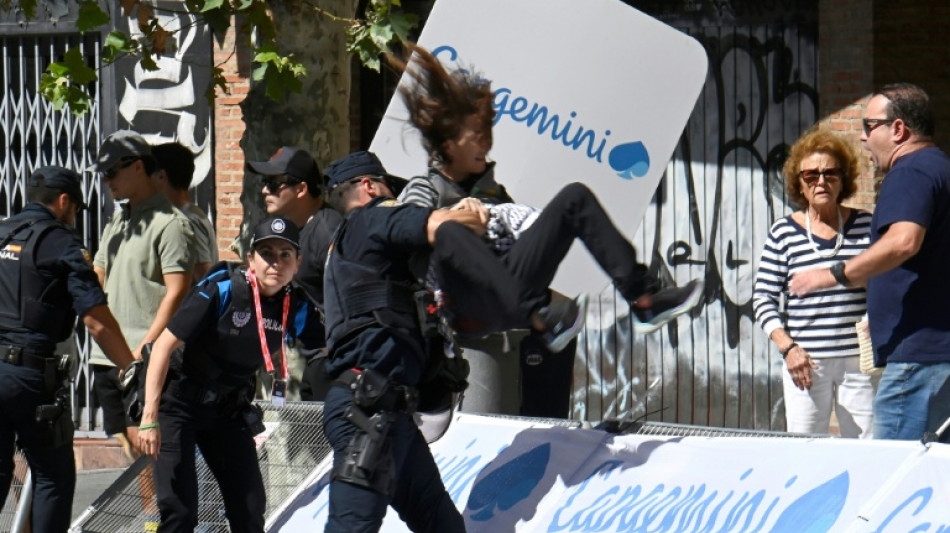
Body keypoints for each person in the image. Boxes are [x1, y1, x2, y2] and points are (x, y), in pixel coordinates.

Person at [391, 44, 704, 337]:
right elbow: (408, 236)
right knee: (448, 232)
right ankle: (541, 321)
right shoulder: (424, 188)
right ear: (448, 143)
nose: (487, 144)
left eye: (489, 134)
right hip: (460, 306)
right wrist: (457, 216)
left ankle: (645, 299)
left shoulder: (493, 191)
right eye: (477, 136)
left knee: (574, 198)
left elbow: (525, 244)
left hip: (510, 292)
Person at [137, 216, 322, 533]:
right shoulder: (221, 290)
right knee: (180, 514)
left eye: (285, 255)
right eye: (266, 253)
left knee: (249, 511)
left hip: (226, 409)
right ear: (251, 258)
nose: (275, 263)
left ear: (297, 263)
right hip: (177, 404)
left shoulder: (297, 304)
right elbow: (162, 347)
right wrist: (150, 417)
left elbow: (330, 347)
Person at [789, 83, 950, 441]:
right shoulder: (940, 169)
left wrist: (831, 275)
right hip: (936, 355)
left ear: (897, 129)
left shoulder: (910, 172)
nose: (863, 138)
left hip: (917, 357)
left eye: (869, 126)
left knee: (898, 472)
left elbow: (904, 241)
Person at [0, 167, 135, 533]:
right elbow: (96, 320)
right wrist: (131, 368)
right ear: (64, 202)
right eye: (76, 208)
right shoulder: (60, 242)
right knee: (52, 476)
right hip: (29, 377)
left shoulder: (2, 233)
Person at [752, 128, 875, 438]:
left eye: (830, 173)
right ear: (800, 183)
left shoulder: (866, 225)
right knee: (805, 448)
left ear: (843, 179)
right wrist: (788, 348)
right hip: (805, 360)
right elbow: (763, 297)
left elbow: (886, 284)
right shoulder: (783, 232)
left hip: (859, 361)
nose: (821, 181)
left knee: (868, 446)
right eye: (811, 175)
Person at [90, 130, 195, 456]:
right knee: (130, 452)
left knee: (149, 454)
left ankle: (154, 511)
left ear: (138, 167)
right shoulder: (118, 223)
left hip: (143, 356)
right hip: (105, 355)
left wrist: (144, 347)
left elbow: (177, 292)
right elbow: (98, 275)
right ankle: (149, 509)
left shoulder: (170, 224)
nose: (106, 181)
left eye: (111, 172)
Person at [247, 146, 342, 401]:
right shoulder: (290, 231)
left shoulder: (328, 231)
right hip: (291, 358)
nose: (265, 190)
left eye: (275, 184)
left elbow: (348, 300)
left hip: (324, 363)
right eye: (265, 182)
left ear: (301, 189)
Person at [152, 141, 219, 281]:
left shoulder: (188, 219)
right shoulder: (186, 214)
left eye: (148, 174)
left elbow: (203, 275)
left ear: (161, 176)